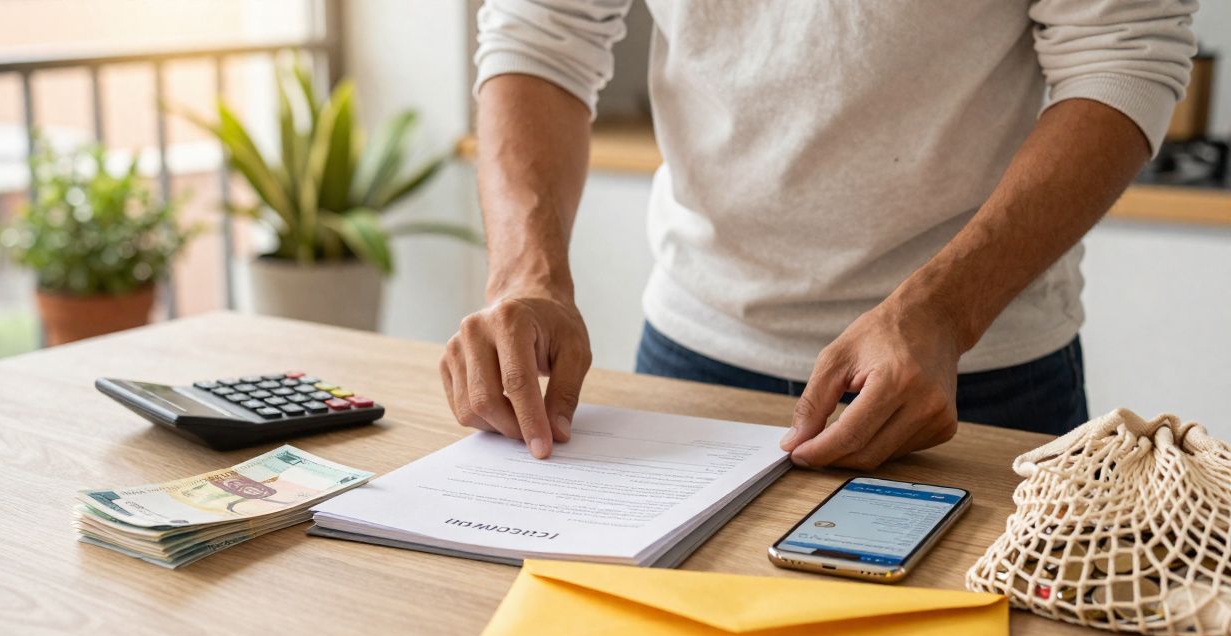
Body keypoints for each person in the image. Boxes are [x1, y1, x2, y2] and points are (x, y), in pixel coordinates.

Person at [441, 0, 1197, 469]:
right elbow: (541, 37)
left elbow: (1122, 57)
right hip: (690, 365)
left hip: (979, 376)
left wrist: (942, 311)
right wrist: (526, 276)